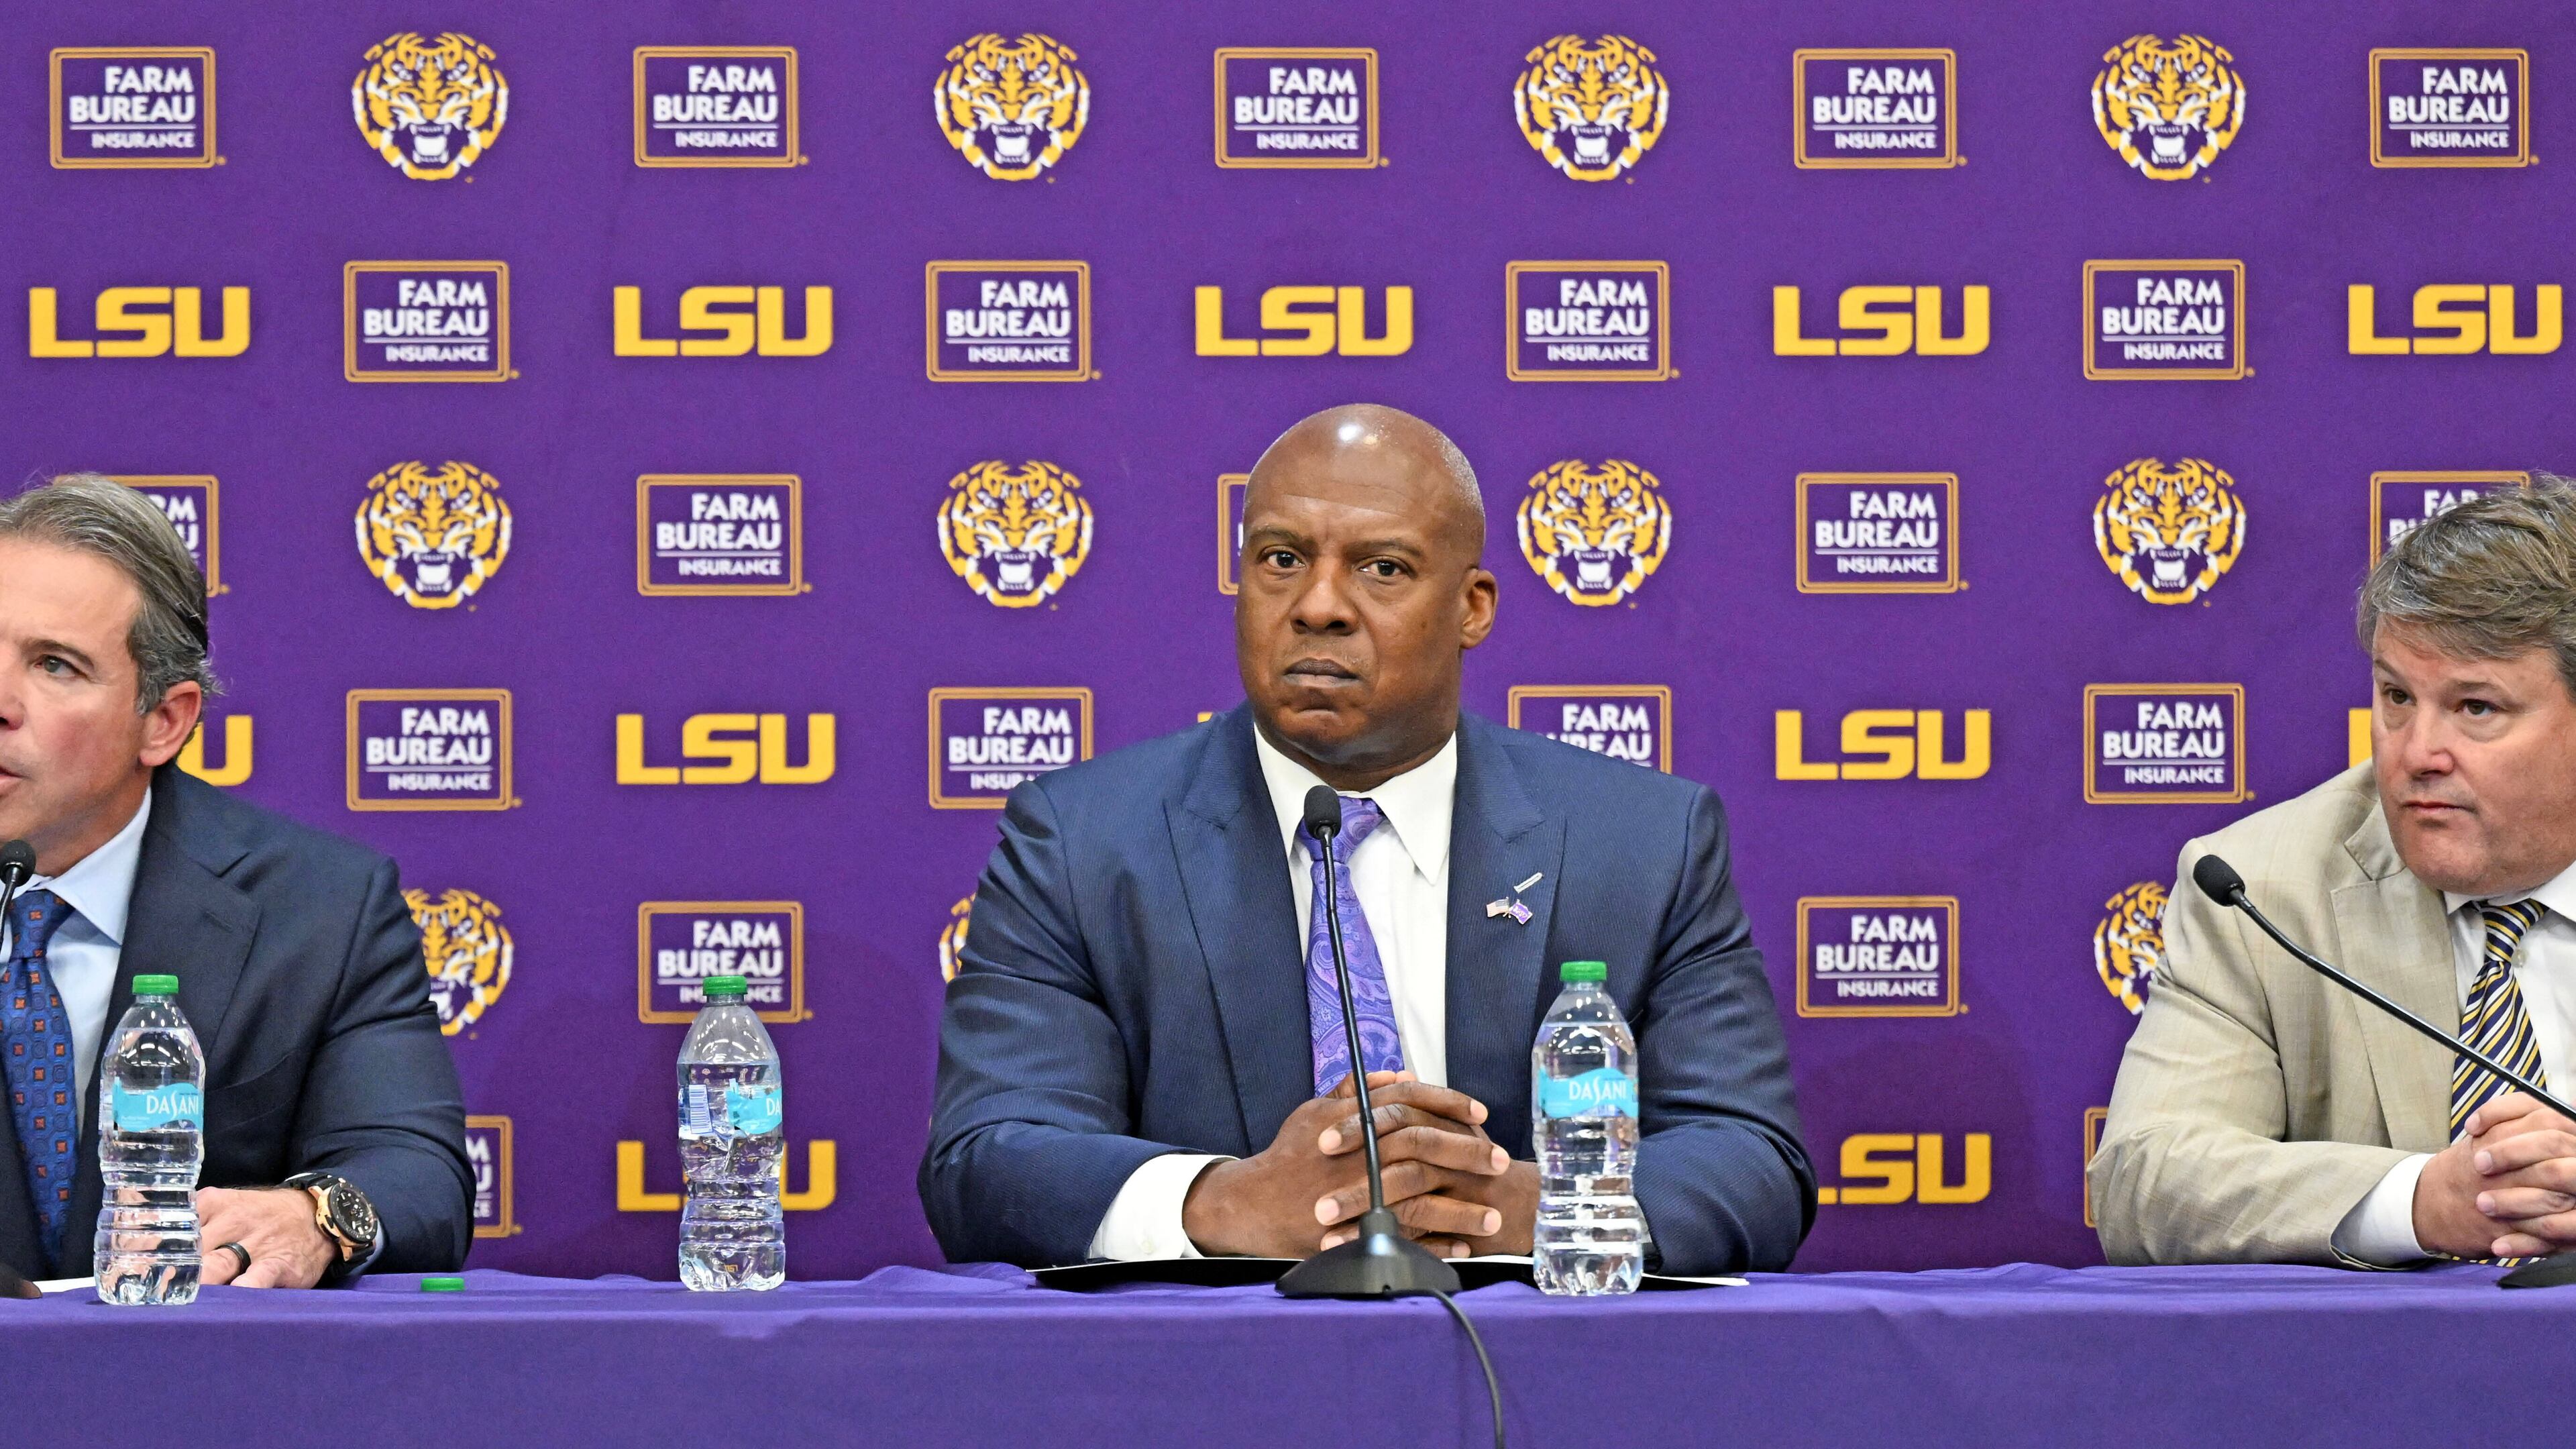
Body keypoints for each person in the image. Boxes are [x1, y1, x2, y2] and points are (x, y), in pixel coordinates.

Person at [920, 405, 1811, 1273]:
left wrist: (1520, 1208)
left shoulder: (1643, 843)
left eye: (1382, 569)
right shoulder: (1080, 843)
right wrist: (1226, 1202)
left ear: (1473, 607)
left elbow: (1752, 1158)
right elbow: (989, 1158)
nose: (1318, 607)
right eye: (1281, 559)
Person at [0, 474, 468, 1287]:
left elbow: (413, 1172)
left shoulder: (319, 910)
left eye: (55, 665)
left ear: (165, 721)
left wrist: (315, 1217)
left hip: (201, 1388)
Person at [2094, 482, 2576, 1266]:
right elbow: (2146, 1180)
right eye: (2396, 697)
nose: (2417, 752)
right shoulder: (2262, 890)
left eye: (2476, 708)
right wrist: (2422, 1201)